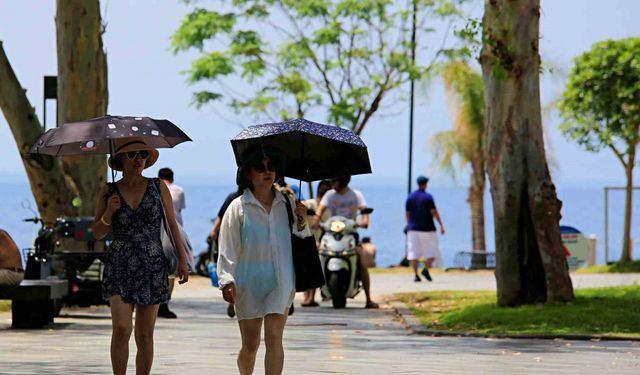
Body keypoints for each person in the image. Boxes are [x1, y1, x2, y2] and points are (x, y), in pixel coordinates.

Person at [92, 138, 190, 375]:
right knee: (122, 329)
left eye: (142, 154)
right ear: (119, 159)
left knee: (145, 334)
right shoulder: (109, 190)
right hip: (119, 262)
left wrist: (183, 259)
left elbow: (172, 225)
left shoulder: (157, 186)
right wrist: (109, 212)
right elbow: (97, 233)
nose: (138, 160)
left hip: (152, 263)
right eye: (132, 154)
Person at [217, 145, 309, 375]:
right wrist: (226, 280)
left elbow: (302, 239)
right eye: (260, 167)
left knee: (275, 338)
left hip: (282, 279)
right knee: (250, 345)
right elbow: (226, 247)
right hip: (248, 283)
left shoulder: (288, 204)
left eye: (271, 167)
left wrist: (302, 221)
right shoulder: (237, 207)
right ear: (248, 173)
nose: (267, 172)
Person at [314, 176, 379, 309]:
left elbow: (364, 211)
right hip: (331, 232)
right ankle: (310, 296)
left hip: (350, 232)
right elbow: (319, 211)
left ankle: (368, 299)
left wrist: (365, 220)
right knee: (318, 256)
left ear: (343, 180)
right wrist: (316, 219)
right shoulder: (329, 194)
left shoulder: (356, 195)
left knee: (361, 261)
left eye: (334, 180)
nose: (332, 183)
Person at [209, 187, 243, 318]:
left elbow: (220, 216)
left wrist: (213, 231)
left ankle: (234, 296)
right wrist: (214, 231)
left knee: (235, 269)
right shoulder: (234, 199)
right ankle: (234, 296)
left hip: (232, 240)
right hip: (236, 239)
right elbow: (222, 215)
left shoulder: (232, 196)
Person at [157, 167, 187, 319]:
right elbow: (179, 211)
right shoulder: (179, 191)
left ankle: (157, 301)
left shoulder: (154, 189)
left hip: (157, 231)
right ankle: (165, 302)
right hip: (175, 232)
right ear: (172, 178)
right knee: (172, 269)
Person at [405, 176, 445, 282]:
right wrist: (441, 225)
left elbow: (407, 213)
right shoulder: (428, 197)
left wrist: (409, 225)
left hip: (413, 229)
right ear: (425, 184)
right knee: (432, 252)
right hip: (427, 229)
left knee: (413, 252)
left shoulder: (410, 197)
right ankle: (425, 269)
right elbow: (434, 212)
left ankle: (415, 275)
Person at [301, 179, 332, 307]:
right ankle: (307, 297)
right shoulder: (310, 204)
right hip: (306, 239)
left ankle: (311, 297)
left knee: (315, 266)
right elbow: (302, 206)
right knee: (308, 267)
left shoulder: (329, 209)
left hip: (320, 241)